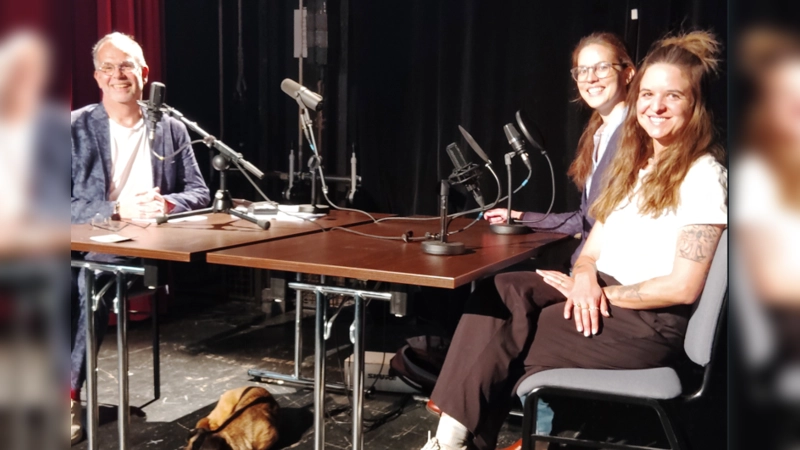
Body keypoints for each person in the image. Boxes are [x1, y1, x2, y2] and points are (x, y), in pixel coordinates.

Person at [421, 30, 727, 450]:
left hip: (649, 324)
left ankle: (452, 444)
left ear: (695, 106)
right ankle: (454, 441)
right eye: (648, 95)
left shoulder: (704, 175)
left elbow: (682, 286)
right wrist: (584, 277)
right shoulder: (634, 167)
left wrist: (601, 295)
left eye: (673, 96)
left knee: (511, 337)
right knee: (499, 291)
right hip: (602, 290)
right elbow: (594, 246)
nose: (656, 107)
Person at [70, 32, 210, 444]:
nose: (119, 74)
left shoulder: (170, 127)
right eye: (109, 67)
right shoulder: (73, 127)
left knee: (86, 281)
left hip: (147, 246)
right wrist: (116, 210)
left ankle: (67, 397)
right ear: (97, 77)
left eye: (127, 65)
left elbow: (199, 192)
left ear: (144, 73)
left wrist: (165, 204)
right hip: (87, 237)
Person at [484, 33, 634, 269]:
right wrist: (519, 216)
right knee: (495, 292)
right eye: (582, 71)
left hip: (610, 274)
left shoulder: (635, 134)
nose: (591, 78)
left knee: (498, 294)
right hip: (585, 269)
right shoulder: (598, 135)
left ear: (627, 73)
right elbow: (582, 220)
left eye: (602, 67)